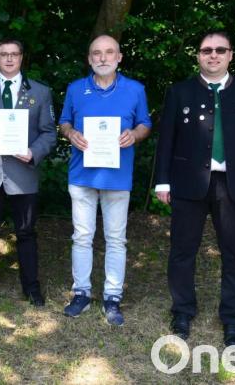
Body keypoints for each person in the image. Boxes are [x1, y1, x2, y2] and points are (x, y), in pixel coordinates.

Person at [154, 31, 235, 346]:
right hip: (187, 183)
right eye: (207, 50)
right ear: (198, 56)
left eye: (220, 50)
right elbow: (166, 140)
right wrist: (161, 180)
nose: (213, 55)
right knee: (182, 251)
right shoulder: (179, 92)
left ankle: (232, 320)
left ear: (231, 54)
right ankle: (182, 312)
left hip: (234, 184)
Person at [58, 34, 151, 325]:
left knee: (115, 239)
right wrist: (70, 133)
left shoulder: (135, 90)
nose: (103, 58)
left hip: (118, 176)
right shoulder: (75, 89)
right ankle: (82, 293)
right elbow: (64, 122)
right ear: (89, 58)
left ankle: (112, 297)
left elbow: (145, 124)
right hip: (82, 175)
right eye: (96, 53)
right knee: (82, 236)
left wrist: (134, 135)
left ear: (119, 57)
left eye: (109, 52)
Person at [0, 39, 56, 307]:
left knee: (26, 233)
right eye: (3, 54)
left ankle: (32, 288)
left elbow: (49, 133)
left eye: (14, 54)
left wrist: (34, 152)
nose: (8, 59)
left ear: (22, 58)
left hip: (23, 173)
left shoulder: (40, 91)